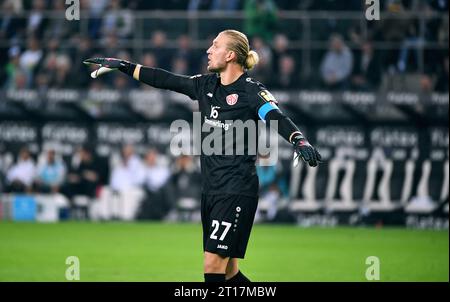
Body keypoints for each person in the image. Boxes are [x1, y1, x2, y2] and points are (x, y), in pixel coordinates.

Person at [84, 29, 321, 282]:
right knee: (230, 273)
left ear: (230, 55)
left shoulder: (251, 90)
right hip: (211, 190)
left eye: (215, 45)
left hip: (236, 190)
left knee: (212, 265)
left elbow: (275, 116)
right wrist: (124, 66)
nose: (209, 50)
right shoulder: (205, 85)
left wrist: (298, 139)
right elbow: (165, 79)